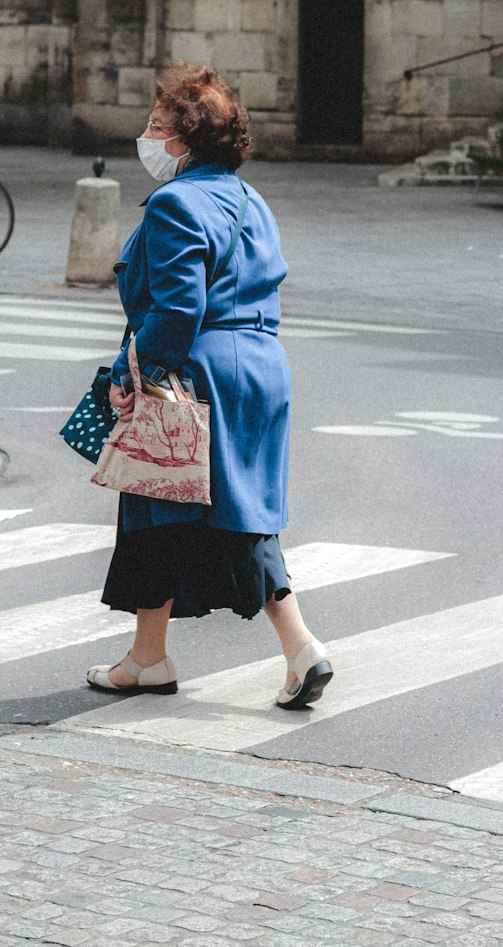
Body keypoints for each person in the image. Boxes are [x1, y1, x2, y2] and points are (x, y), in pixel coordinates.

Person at [86, 63, 333, 710]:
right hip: (259, 364)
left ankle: (303, 645)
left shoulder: (175, 202)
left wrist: (126, 372)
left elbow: (176, 309)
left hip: (197, 372)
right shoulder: (251, 200)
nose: (145, 137)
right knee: (174, 506)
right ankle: (148, 657)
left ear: (184, 141)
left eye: (155, 127)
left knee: (190, 507)